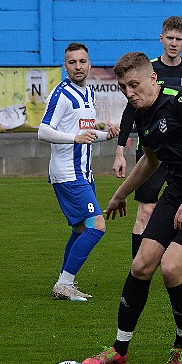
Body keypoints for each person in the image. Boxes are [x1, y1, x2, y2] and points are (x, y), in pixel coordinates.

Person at [82, 52, 182, 364]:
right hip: (179, 191)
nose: (130, 93)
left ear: (153, 78)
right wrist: (119, 194)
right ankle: (119, 350)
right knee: (141, 265)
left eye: (135, 85)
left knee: (171, 267)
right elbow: (151, 160)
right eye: (124, 87)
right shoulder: (141, 111)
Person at [113, 16, 182, 259]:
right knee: (145, 210)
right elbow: (129, 112)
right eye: (170, 38)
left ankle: (170, 261)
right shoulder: (145, 70)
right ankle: (138, 267)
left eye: (179, 39)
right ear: (161, 38)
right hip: (151, 150)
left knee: (181, 211)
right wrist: (120, 150)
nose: (173, 43)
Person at [38, 42, 119, 302]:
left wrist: (107, 135)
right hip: (67, 173)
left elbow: (85, 133)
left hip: (84, 173)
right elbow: (43, 131)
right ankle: (64, 283)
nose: (78, 66)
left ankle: (65, 283)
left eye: (82, 61)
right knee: (97, 225)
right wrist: (74, 138)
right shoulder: (61, 94)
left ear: (89, 64)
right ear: (65, 66)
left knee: (82, 230)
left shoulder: (89, 94)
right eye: (72, 62)